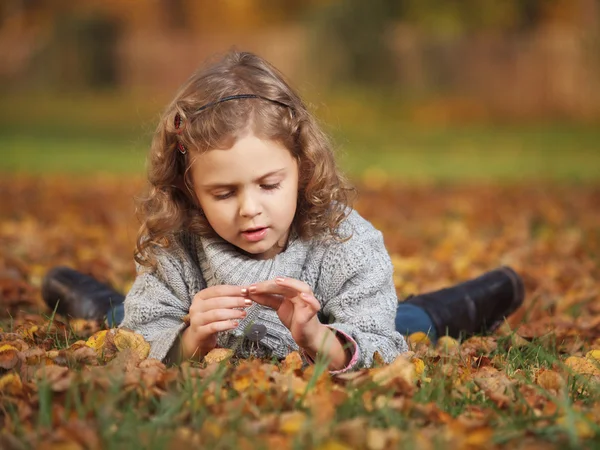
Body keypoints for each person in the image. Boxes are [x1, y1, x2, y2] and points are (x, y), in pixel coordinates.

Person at [41, 51, 524, 373]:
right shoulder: (180, 246)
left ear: (301, 166)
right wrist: (190, 341)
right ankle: (87, 298)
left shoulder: (344, 240)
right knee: (123, 316)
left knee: (404, 325)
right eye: (224, 193)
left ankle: (467, 301)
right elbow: (143, 335)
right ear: (189, 191)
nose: (251, 209)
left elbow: (375, 338)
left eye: (270, 185)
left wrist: (316, 337)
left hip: (343, 328)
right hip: (172, 317)